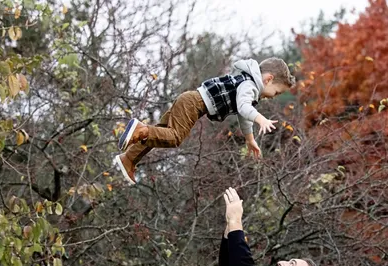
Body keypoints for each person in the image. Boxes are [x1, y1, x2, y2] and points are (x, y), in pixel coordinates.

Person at [113, 58, 295, 184]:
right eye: (276, 92)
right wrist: (261, 119)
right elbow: (244, 108)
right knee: (175, 137)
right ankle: (140, 129)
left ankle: (129, 158)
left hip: (190, 99)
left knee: (161, 132)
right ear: (268, 79)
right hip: (194, 104)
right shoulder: (250, 86)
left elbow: (243, 115)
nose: (273, 97)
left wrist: (250, 139)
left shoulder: (247, 82)